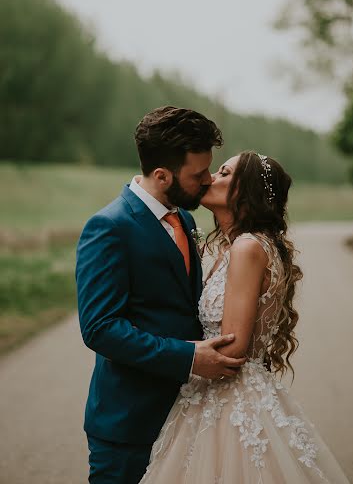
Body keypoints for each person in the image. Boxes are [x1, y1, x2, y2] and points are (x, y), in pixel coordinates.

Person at [139, 151, 351, 483]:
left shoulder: (246, 248)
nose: (210, 178)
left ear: (245, 190)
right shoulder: (241, 246)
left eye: (223, 173)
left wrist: (163, 350)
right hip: (222, 393)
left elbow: (233, 349)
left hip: (228, 403)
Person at [76, 106, 246, 484]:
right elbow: (100, 328)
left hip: (188, 417)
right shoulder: (109, 227)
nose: (207, 181)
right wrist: (188, 356)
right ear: (162, 175)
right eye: (197, 174)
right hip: (128, 424)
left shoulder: (184, 219)